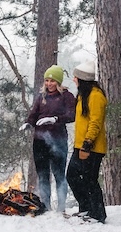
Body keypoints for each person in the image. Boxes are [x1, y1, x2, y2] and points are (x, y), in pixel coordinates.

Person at [23, 65, 76, 213]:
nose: (49, 84)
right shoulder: (42, 97)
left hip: (58, 140)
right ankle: (45, 206)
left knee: (59, 174)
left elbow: (72, 115)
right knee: (42, 175)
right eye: (47, 80)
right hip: (40, 141)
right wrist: (28, 123)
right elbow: (34, 114)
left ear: (58, 82)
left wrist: (55, 119)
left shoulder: (67, 96)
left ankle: (61, 207)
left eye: (52, 81)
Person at [66, 61, 108, 223]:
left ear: (83, 79)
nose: (74, 79)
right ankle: (86, 207)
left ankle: (98, 214)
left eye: (76, 77)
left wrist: (88, 142)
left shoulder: (96, 96)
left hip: (92, 147)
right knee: (72, 176)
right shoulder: (84, 95)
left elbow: (95, 122)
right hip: (80, 145)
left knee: (90, 180)